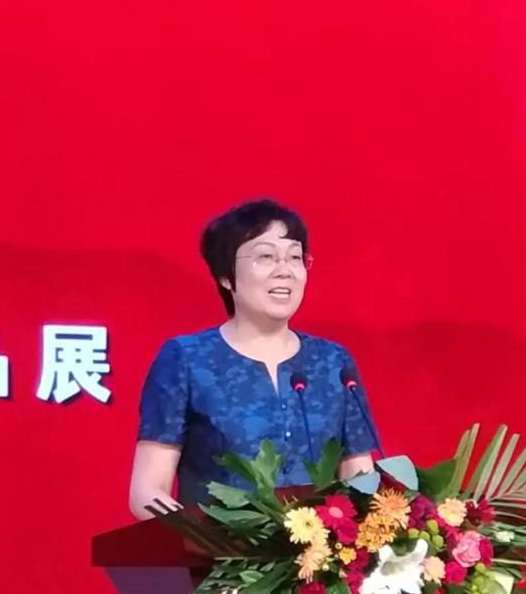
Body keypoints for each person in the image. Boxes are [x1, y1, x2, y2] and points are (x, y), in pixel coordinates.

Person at [128, 199, 380, 520]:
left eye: (295, 257)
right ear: (226, 276)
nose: (284, 271)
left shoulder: (333, 361)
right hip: (217, 550)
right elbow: (147, 490)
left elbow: (359, 477)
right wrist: (201, 537)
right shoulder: (186, 359)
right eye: (266, 257)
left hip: (319, 549)